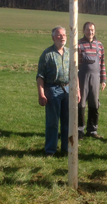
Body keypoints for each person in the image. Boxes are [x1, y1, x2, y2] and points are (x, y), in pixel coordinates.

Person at [36, 26, 80, 157]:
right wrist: (41, 94)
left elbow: (75, 73)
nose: (62, 37)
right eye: (59, 35)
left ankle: (66, 149)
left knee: (67, 121)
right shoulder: (47, 54)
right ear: (53, 37)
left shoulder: (70, 53)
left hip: (68, 89)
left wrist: (77, 90)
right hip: (52, 89)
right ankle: (50, 150)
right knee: (52, 122)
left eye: (64, 35)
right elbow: (40, 76)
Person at [78, 22, 106, 140]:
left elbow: (102, 64)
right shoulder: (78, 44)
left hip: (95, 78)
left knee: (94, 104)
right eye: (88, 30)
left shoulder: (99, 45)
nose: (91, 32)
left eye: (92, 30)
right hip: (82, 78)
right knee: (81, 104)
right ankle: (79, 130)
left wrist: (103, 80)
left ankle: (92, 130)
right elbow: (74, 65)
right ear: (83, 30)